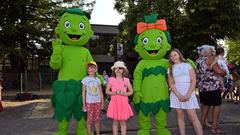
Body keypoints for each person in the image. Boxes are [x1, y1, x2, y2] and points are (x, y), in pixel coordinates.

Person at [168, 49, 203, 135]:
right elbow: (171, 83)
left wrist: (188, 94)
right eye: (171, 56)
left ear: (179, 55)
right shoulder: (170, 69)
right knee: (180, 116)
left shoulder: (187, 65)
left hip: (188, 91)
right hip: (176, 93)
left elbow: (193, 80)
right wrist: (178, 95)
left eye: (175, 55)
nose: (173, 57)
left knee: (193, 117)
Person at [196, 45, 223, 133]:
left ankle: (202, 124)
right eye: (211, 50)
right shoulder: (211, 59)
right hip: (213, 87)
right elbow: (219, 71)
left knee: (206, 105)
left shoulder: (198, 61)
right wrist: (224, 71)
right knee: (216, 106)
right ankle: (214, 127)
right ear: (207, 52)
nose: (213, 52)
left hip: (202, 88)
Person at [106, 61, 133, 135]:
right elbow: (107, 91)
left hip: (123, 103)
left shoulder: (126, 80)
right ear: (114, 70)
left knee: (123, 122)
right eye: (116, 68)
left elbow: (131, 92)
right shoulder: (111, 79)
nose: (118, 70)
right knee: (115, 122)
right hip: (114, 103)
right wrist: (114, 93)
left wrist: (124, 93)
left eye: (120, 68)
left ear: (123, 70)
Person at [82, 61, 104, 135]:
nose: (90, 69)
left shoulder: (98, 80)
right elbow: (83, 93)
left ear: (96, 69)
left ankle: (98, 133)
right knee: (89, 120)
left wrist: (102, 102)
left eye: (92, 68)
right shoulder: (85, 79)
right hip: (89, 103)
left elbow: (101, 92)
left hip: (98, 102)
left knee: (97, 119)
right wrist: (84, 104)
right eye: (89, 68)